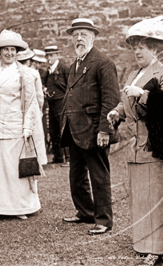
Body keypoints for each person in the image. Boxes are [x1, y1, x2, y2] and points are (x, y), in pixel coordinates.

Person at [107, 16, 163, 265]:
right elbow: (125, 101)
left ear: (155, 49)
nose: (137, 51)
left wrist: (142, 93)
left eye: (142, 47)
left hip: (156, 144)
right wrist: (117, 111)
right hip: (135, 146)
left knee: (158, 196)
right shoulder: (133, 74)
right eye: (134, 47)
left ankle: (160, 247)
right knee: (141, 195)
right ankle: (145, 241)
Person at [60, 18, 120, 235]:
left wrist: (105, 129)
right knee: (76, 176)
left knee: (99, 176)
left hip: (94, 130)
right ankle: (85, 211)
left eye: (84, 34)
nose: (78, 38)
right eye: (75, 35)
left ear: (93, 37)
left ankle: (104, 220)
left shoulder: (103, 62)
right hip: (75, 129)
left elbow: (111, 99)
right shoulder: (75, 63)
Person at [0, 30, 40, 220]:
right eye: (5, 49)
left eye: (13, 49)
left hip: (14, 127)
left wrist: (27, 128)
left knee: (14, 169)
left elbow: (30, 102)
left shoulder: (24, 73)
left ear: (17, 52)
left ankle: (20, 208)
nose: (9, 53)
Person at [17, 48, 47, 165]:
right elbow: (39, 95)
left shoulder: (16, 72)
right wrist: (40, 108)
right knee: (36, 135)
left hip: (19, 107)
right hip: (32, 105)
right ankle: (39, 159)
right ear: (28, 61)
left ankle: (23, 159)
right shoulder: (33, 72)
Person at [41, 45, 70, 165]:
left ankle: (69, 158)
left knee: (63, 130)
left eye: (51, 55)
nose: (49, 58)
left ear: (57, 55)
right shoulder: (48, 71)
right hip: (51, 104)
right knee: (53, 131)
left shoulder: (64, 68)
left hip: (61, 103)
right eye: (47, 56)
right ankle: (58, 157)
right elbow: (45, 84)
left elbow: (70, 86)